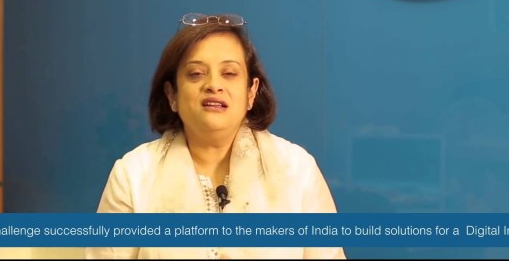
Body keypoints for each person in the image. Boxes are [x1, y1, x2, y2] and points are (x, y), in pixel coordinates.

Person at [86, 13, 345, 259]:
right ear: (172, 94)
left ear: (251, 92)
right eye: (196, 74)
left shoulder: (296, 170)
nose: (213, 85)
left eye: (229, 73)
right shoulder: (133, 174)